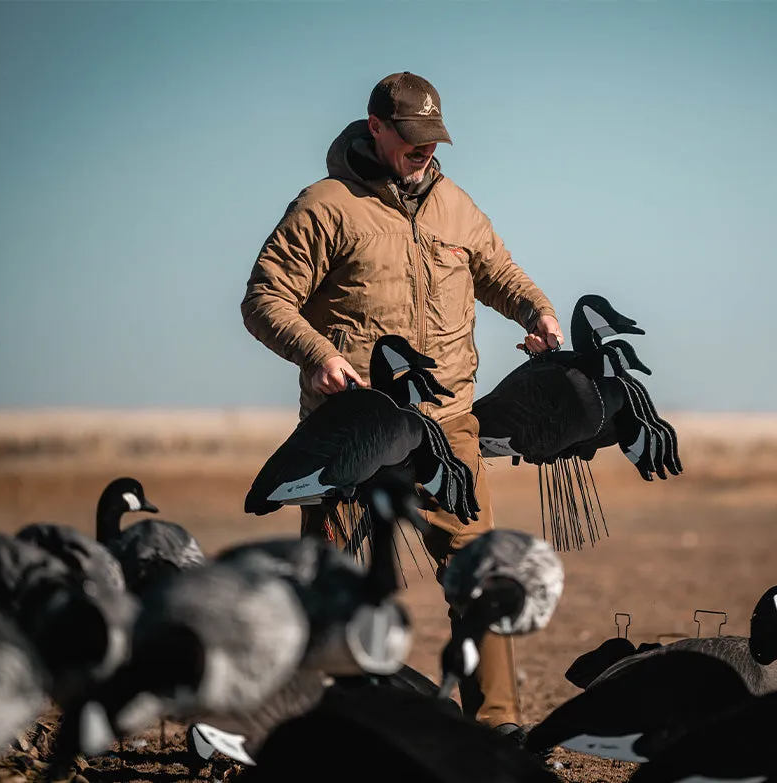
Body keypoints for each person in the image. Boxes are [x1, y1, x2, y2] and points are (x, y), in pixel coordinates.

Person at [240, 71, 563, 741]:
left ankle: (497, 727)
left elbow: (497, 272)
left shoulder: (457, 207)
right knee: (341, 590)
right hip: (355, 434)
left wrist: (538, 309)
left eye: (432, 139)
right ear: (377, 127)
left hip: (448, 428)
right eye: (410, 138)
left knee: (484, 573)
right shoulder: (326, 205)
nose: (424, 151)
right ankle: (335, 734)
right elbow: (265, 297)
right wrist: (316, 354)